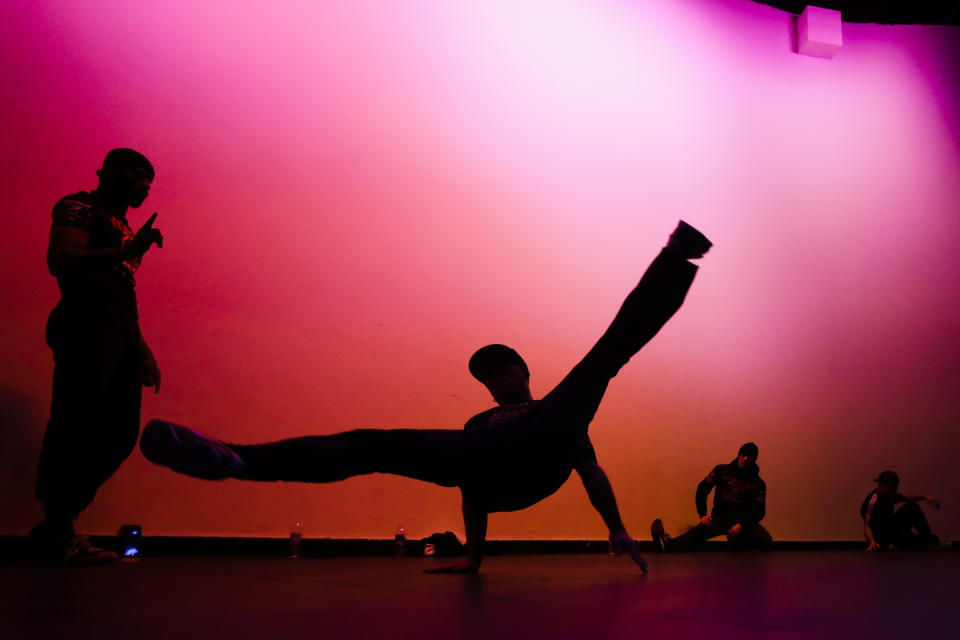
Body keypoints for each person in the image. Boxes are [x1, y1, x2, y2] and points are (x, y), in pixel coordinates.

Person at [140, 221, 712, 573]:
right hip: (497, 470)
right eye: (487, 380)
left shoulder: (553, 413)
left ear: (521, 371)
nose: (495, 385)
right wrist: (475, 555)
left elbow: (590, 471)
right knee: (372, 444)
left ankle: (676, 257)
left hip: (542, 450)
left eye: (501, 374)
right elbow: (470, 488)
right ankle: (238, 460)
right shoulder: (479, 419)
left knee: (601, 362)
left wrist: (614, 526)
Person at [29, 148, 164, 563]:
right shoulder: (79, 207)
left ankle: (58, 524)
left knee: (121, 434)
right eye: (137, 174)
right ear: (106, 171)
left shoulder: (123, 225)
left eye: (149, 180)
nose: (143, 184)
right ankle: (59, 528)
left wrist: (141, 348)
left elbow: (121, 290)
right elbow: (61, 261)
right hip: (83, 327)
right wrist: (128, 250)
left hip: (118, 334)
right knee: (75, 425)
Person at [650, 442, 772, 552]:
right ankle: (665, 542)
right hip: (720, 517)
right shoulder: (721, 471)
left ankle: (737, 542)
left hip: (742, 521)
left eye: (749, 457)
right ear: (739, 455)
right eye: (743, 454)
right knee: (695, 535)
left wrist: (741, 526)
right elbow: (702, 488)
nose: (745, 459)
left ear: (754, 460)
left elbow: (759, 512)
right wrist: (702, 513)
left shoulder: (758, 484)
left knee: (766, 543)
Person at [861, 470, 940, 551]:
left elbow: (905, 497)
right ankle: (927, 541)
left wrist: (924, 497)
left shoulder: (889, 494)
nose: (896, 490)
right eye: (894, 487)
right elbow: (867, 527)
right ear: (886, 486)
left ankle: (927, 538)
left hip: (892, 527)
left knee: (912, 507)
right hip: (885, 536)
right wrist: (872, 542)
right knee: (916, 540)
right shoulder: (872, 503)